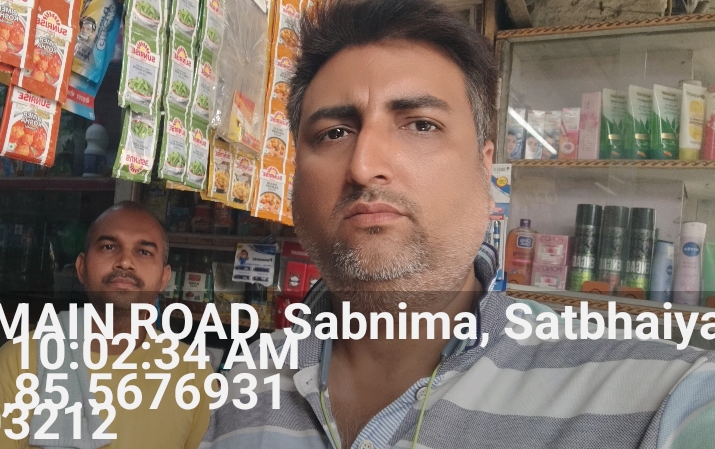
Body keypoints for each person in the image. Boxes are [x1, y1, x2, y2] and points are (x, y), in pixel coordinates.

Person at [201, 1, 715, 449]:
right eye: (334, 133)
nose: (364, 165)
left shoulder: (663, 396)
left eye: (421, 125)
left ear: (484, 168)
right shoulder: (250, 376)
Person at [0, 202, 211, 449]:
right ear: (81, 268)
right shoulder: (21, 359)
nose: (125, 262)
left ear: (164, 278)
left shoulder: (193, 372)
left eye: (144, 252)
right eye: (109, 247)